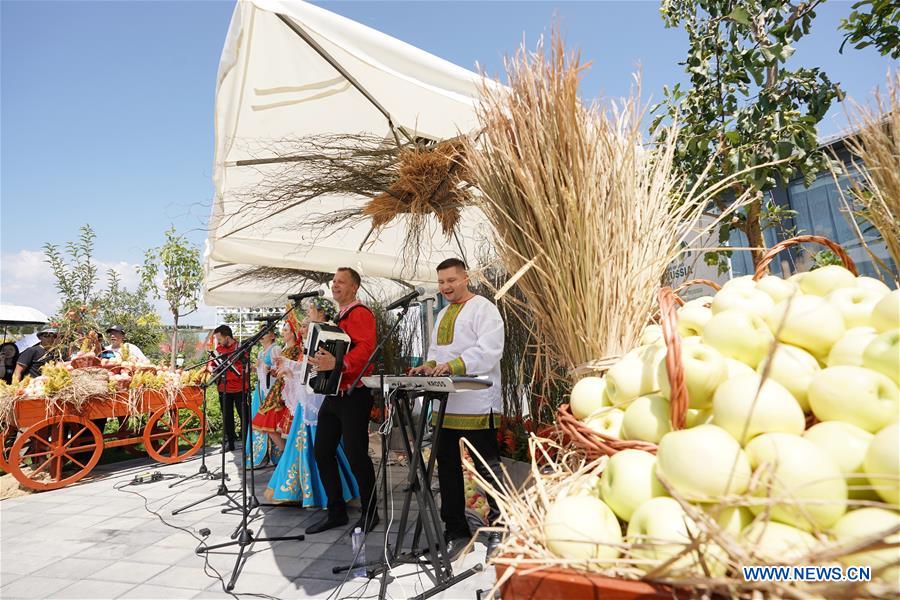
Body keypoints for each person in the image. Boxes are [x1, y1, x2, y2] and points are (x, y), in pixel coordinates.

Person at [409, 258, 505, 559]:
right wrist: (430, 365)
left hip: (477, 403)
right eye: (441, 282)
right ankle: (456, 532)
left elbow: (489, 351)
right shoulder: (442, 314)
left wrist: (454, 365)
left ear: (465, 278)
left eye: (451, 280)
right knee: (448, 468)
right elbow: (438, 353)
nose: (446, 287)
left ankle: (501, 530)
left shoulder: (484, 309)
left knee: (487, 467)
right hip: (446, 403)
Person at [306, 267, 379, 535]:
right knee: (322, 451)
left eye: (341, 282)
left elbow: (366, 351)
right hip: (335, 393)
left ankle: (371, 513)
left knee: (356, 454)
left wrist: (337, 363)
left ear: (354, 287)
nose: (335, 285)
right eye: (334, 281)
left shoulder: (360, 313)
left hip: (354, 394)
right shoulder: (340, 316)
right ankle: (336, 512)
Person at [266, 297, 359, 506]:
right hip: (309, 394)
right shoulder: (318, 333)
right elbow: (308, 366)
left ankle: (324, 493)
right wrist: (289, 365)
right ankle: (311, 492)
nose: (307, 316)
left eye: (310, 311)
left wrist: (292, 369)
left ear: (320, 312)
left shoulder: (328, 333)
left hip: (318, 395)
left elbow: (318, 368)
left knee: (322, 446)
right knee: (312, 444)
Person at [251, 309, 302, 454]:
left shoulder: (297, 350)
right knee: (269, 425)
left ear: (292, 332)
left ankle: (287, 455)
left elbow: (296, 370)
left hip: (287, 392)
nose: (283, 333)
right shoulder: (286, 349)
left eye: (285, 330)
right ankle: (286, 454)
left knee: (280, 427)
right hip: (279, 389)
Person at [245, 326, 281, 468]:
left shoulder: (275, 349)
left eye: (265, 333)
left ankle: (276, 454)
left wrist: (267, 368)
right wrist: (253, 368)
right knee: (258, 421)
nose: (262, 336)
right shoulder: (260, 352)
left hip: (271, 391)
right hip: (260, 390)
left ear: (272, 335)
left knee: (270, 422)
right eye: (261, 333)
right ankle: (261, 454)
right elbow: (260, 371)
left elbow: (278, 370)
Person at [209, 325, 249, 451]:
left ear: (227, 337)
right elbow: (210, 365)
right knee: (227, 416)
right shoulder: (218, 349)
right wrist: (212, 370)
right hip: (223, 387)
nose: (218, 342)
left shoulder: (240, 348)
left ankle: (246, 442)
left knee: (244, 416)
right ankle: (230, 443)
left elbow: (246, 367)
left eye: (219, 339)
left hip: (239, 388)